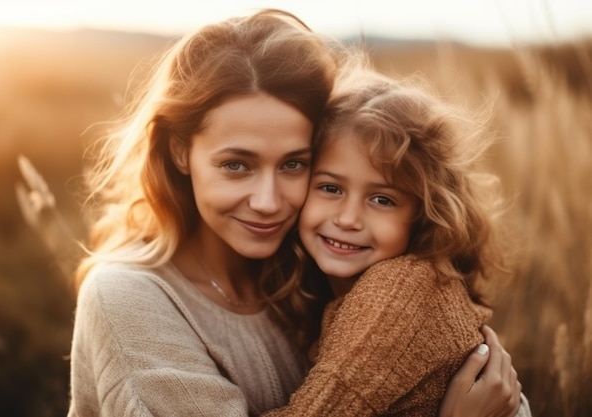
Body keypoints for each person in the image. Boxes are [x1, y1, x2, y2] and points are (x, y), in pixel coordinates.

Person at [67, 9, 523, 417]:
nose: (268, 202)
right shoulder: (129, 296)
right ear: (181, 151)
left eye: (293, 164)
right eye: (236, 165)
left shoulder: (312, 271)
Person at [262, 66, 532, 416]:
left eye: (382, 200)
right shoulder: (338, 288)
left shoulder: (400, 290)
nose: (347, 218)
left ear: (424, 213)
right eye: (330, 188)